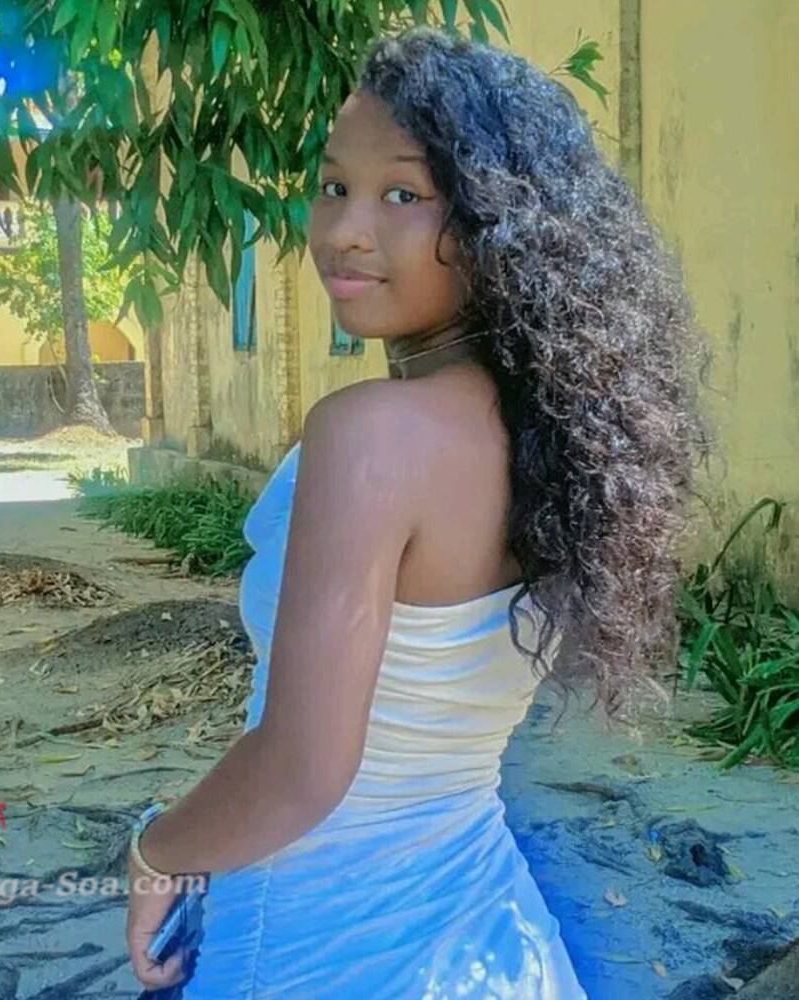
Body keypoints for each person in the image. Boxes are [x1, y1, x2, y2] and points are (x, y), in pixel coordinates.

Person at [125, 25, 713, 999]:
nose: (344, 231)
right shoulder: (559, 443)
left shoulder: (372, 435)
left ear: (497, 218)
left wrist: (157, 852)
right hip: (492, 935)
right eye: (333, 186)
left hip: (326, 942)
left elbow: (302, 770)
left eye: (402, 195)